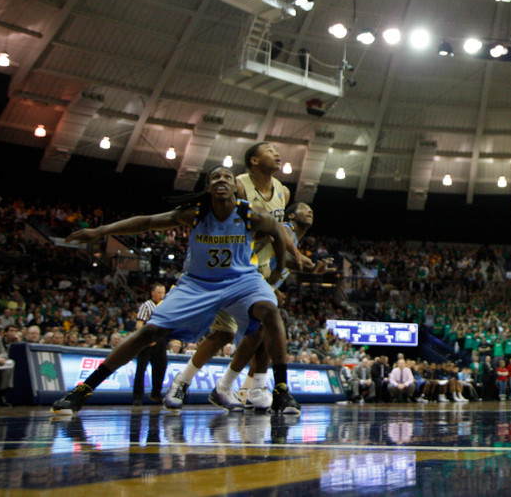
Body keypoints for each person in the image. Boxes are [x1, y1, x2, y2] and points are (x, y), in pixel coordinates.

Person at [51, 165, 300, 415]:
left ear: (236, 187)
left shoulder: (251, 214)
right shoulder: (196, 213)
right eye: (215, 177)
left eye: (227, 177)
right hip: (197, 283)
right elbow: (147, 222)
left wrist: (277, 274)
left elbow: (278, 233)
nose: (221, 180)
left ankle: (281, 390)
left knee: (270, 310)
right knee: (149, 332)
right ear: (209, 188)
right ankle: (82, 392)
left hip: (240, 280)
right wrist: (100, 231)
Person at [164, 148, 314, 412]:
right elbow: (237, 227)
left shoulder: (283, 191)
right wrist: (280, 247)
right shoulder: (238, 185)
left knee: (263, 330)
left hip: (260, 269)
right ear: (254, 161)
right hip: (229, 266)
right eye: (269, 150)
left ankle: (249, 388)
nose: (277, 154)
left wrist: (288, 263)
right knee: (224, 334)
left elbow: (274, 232)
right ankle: (186, 381)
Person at [131, 283, 168, 406]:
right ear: (152, 293)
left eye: (163, 293)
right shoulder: (146, 306)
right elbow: (139, 324)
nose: (162, 295)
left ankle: (156, 394)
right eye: (159, 293)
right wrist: (145, 338)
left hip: (161, 340)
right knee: (141, 369)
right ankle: (137, 397)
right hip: (147, 340)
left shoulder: (166, 306)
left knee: (161, 367)